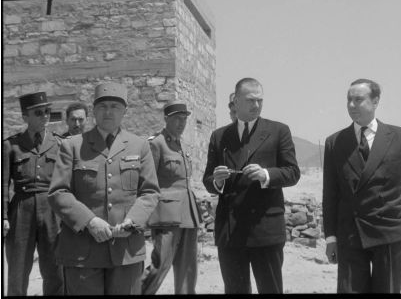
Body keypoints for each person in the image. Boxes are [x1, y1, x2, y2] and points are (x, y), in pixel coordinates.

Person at [322, 78, 401, 294]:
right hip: (350, 235)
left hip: (389, 233)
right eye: (349, 100)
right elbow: (330, 194)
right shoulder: (335, 142)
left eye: (359, 99)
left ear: (375, 101)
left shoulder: (400, 137)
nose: (352, 105)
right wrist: (330, 238)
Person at [47, 81, 160, 295]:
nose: (108, 111)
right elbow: (58, 192)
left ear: (124, 111)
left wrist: (132, 222)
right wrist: (89, 221)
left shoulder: (140, 145)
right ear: (94, 112)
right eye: (103, 106)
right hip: (82, 251)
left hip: (126, 250)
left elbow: (150, 192)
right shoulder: (72, 146)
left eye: (115, 106)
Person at [203, 77, 300, 294]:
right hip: (231, 231)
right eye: (250, 100)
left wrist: (266, 174)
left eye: (260, 100)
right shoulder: (219, 136)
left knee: (270, 289)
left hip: (265, 229)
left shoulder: (278, 131)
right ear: (235, 102)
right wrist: (217, 181)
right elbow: (207, 179)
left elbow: (293, 173)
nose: (256, 105)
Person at [2, 91, 64, 296]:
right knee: (18, 271)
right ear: (24, 117)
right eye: (38, 112)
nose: (45, 116)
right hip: (21, 210)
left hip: (51, 210)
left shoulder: (59, 143)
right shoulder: (11, 146)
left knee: (55, 270)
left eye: (47, 111)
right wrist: (3, 216)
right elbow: (3, 184)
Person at [141, 100, 202, 294]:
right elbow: (147, 182)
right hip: (166, 216)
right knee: (161, 265)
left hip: (187, 215)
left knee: (187, 268)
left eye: (184, 119)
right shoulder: (156, 144)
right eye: (177, 119)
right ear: (166, 119)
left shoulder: (180, 145)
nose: (181, 123)